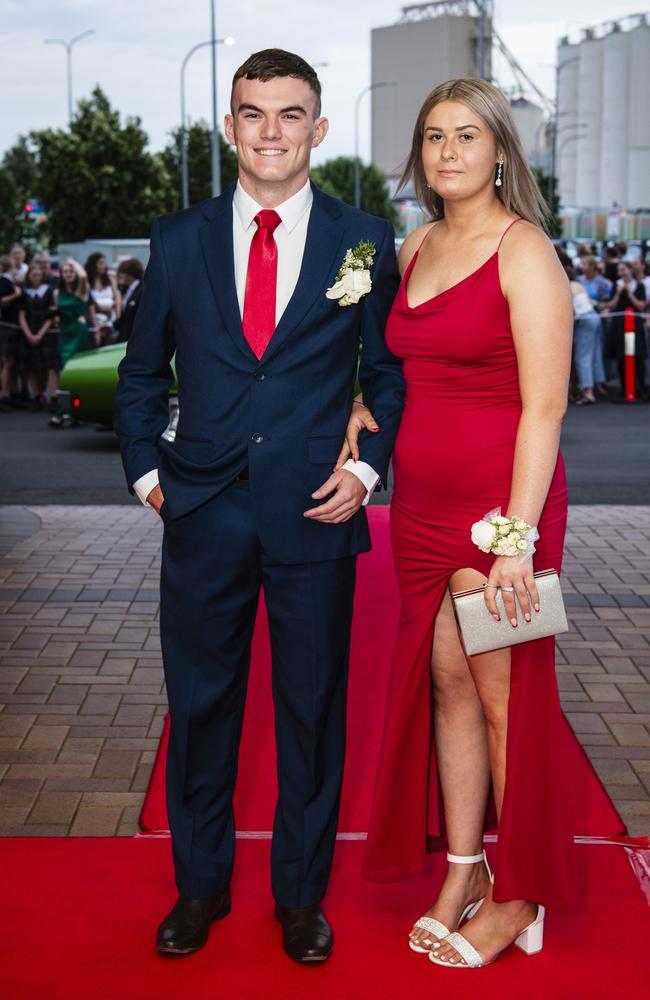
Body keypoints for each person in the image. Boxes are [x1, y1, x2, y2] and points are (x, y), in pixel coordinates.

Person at [115, 49, 404, 964]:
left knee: (312, 712)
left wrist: (366, 473)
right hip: (199, 509)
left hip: (316, 509)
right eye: (253, 113)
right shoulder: (177, 238)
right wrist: (146, 475)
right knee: (202, 710)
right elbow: (137, 374)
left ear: (318, 130)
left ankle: (300, 898)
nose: (270, 131)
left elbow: (388, 373)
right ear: (230, 127)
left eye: (289, 114)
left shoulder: (361, 241)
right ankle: (199, 889)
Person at [340, 78, 623, 969]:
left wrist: (516, 541)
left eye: (468, 135)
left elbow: (546, 411)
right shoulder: (416, 243)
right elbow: (392, 361)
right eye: (434, 137)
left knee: (510, 704)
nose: (449, 152)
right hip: (419, 511)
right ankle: (463, 870)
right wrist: (358, 403)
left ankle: (522, 894)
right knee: (450, 691)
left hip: (501, 517)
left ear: (501, 151)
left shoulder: (524, 249)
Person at [17, 259, 58, 408]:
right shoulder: (23, 292)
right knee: (31, 365)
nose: (37, 278)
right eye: (34, 275)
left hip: (43, 330)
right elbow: (21, 315)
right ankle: (36, 395)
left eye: (39, 275)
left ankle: (46, 393)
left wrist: (40, 334)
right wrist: (29, 334)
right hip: (28, 330)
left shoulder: (47, 291)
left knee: (45, 365)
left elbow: (51, 315)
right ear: (29, 276)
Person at [604, 260, 647, 399]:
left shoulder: (639, 286)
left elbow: (641, 306)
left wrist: (629, 293)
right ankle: (624, 388)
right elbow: (610, 306)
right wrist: (618, 293)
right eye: (619, 270)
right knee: (621, 357)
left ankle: (641, 388)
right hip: (619, 326)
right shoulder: (616, 285)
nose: (621, 273)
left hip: (636, 325)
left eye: (624, 269)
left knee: (638, 357)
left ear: (630, 270)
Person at [566, 261, 602, 406]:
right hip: (593, 317)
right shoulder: (578, 284)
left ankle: (588, 393)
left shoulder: (567, 287)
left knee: (582, 358)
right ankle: (592, 388)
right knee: (593, 355)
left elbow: (571, 311)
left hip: (585, 321)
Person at [54, 258, 96, 368]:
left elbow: (83, 276)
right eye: (65, 271)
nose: (68, 274)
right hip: (65, 331)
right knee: (64, 362)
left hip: (78, 330)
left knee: (78, 362)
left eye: (71, 271)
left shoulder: (81, 291)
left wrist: (72, 262)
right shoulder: (57, 292)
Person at [0, 255, 22, 411]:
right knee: (7, 362)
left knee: (10, 362)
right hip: (7, 325)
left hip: (10, 325)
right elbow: (2, 301)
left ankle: (10, 392)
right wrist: (16, 294)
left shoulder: (10, 281)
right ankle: (5, 394)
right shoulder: (5, 281)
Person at [85, 252, 121, 344]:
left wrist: (117, 317)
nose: (103, 266)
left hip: (111, 320)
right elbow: (89, 302)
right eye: (100, 263)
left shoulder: (109, 279)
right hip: (95, 320)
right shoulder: (87, 282)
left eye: (104, 263)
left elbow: (116, 298)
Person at [114, 257, 144, 342]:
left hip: (135, 338)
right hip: (125, 336)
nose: (120, 276)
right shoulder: (127, 290)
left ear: (130, 274)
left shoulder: (142, 289)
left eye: (123, 272)